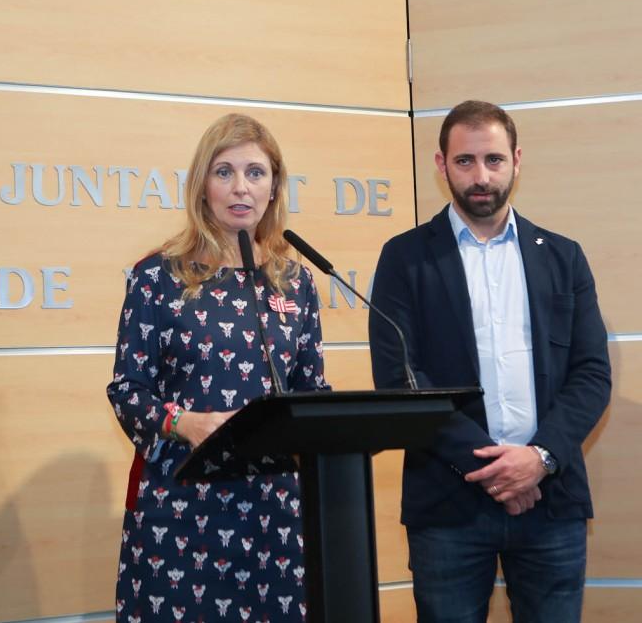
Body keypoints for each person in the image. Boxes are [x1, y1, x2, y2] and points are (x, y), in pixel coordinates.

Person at [369, 100, 611, 622]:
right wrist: (496, 471)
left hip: (551, 499)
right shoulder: (404, 257)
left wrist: (538, 459)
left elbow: (591, 373)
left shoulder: (563, 256)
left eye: (494, 159)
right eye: (465, 161)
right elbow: (400, 378)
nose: (481, 176)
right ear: (442, 165)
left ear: (516, 161)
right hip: (447, 503)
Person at [106, 113, 329, 622]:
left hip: (274, 508)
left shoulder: (295, 283)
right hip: (183, 503)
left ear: (274, 187)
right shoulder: (158, 276)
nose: (240, 187)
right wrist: (183, 422)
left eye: (255, 173)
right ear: (202, 186)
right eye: (224, 172)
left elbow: (311, 389)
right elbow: (128, 390)